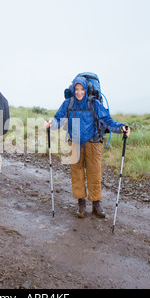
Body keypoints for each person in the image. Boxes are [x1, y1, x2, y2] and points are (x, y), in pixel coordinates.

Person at [45, 76, 130, 218]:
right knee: (76, 174)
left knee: (94, 173)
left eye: (82, 89)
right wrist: (50, 124)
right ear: (73, 90)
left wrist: (121, 127)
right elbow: (58, 120)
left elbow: (107, 120)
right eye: (76, 89)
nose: (79, 92)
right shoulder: (68, 103)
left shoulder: (94, 104)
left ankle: (96, 204)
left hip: (93, 143)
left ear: (86, 89)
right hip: (75, 143)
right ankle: (81, 205)